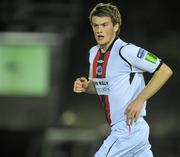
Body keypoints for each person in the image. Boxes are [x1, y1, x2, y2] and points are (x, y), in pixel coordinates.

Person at [73, 2, 173, 157]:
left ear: (115, 26)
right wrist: (87, 86)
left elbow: (164, 71)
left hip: (128, 129)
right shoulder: (93, 53)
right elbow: (103, 87)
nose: (99, 30)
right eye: (95, 25)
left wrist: (139, 100)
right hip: (127, 130)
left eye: (104, 24)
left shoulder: (127, 51)